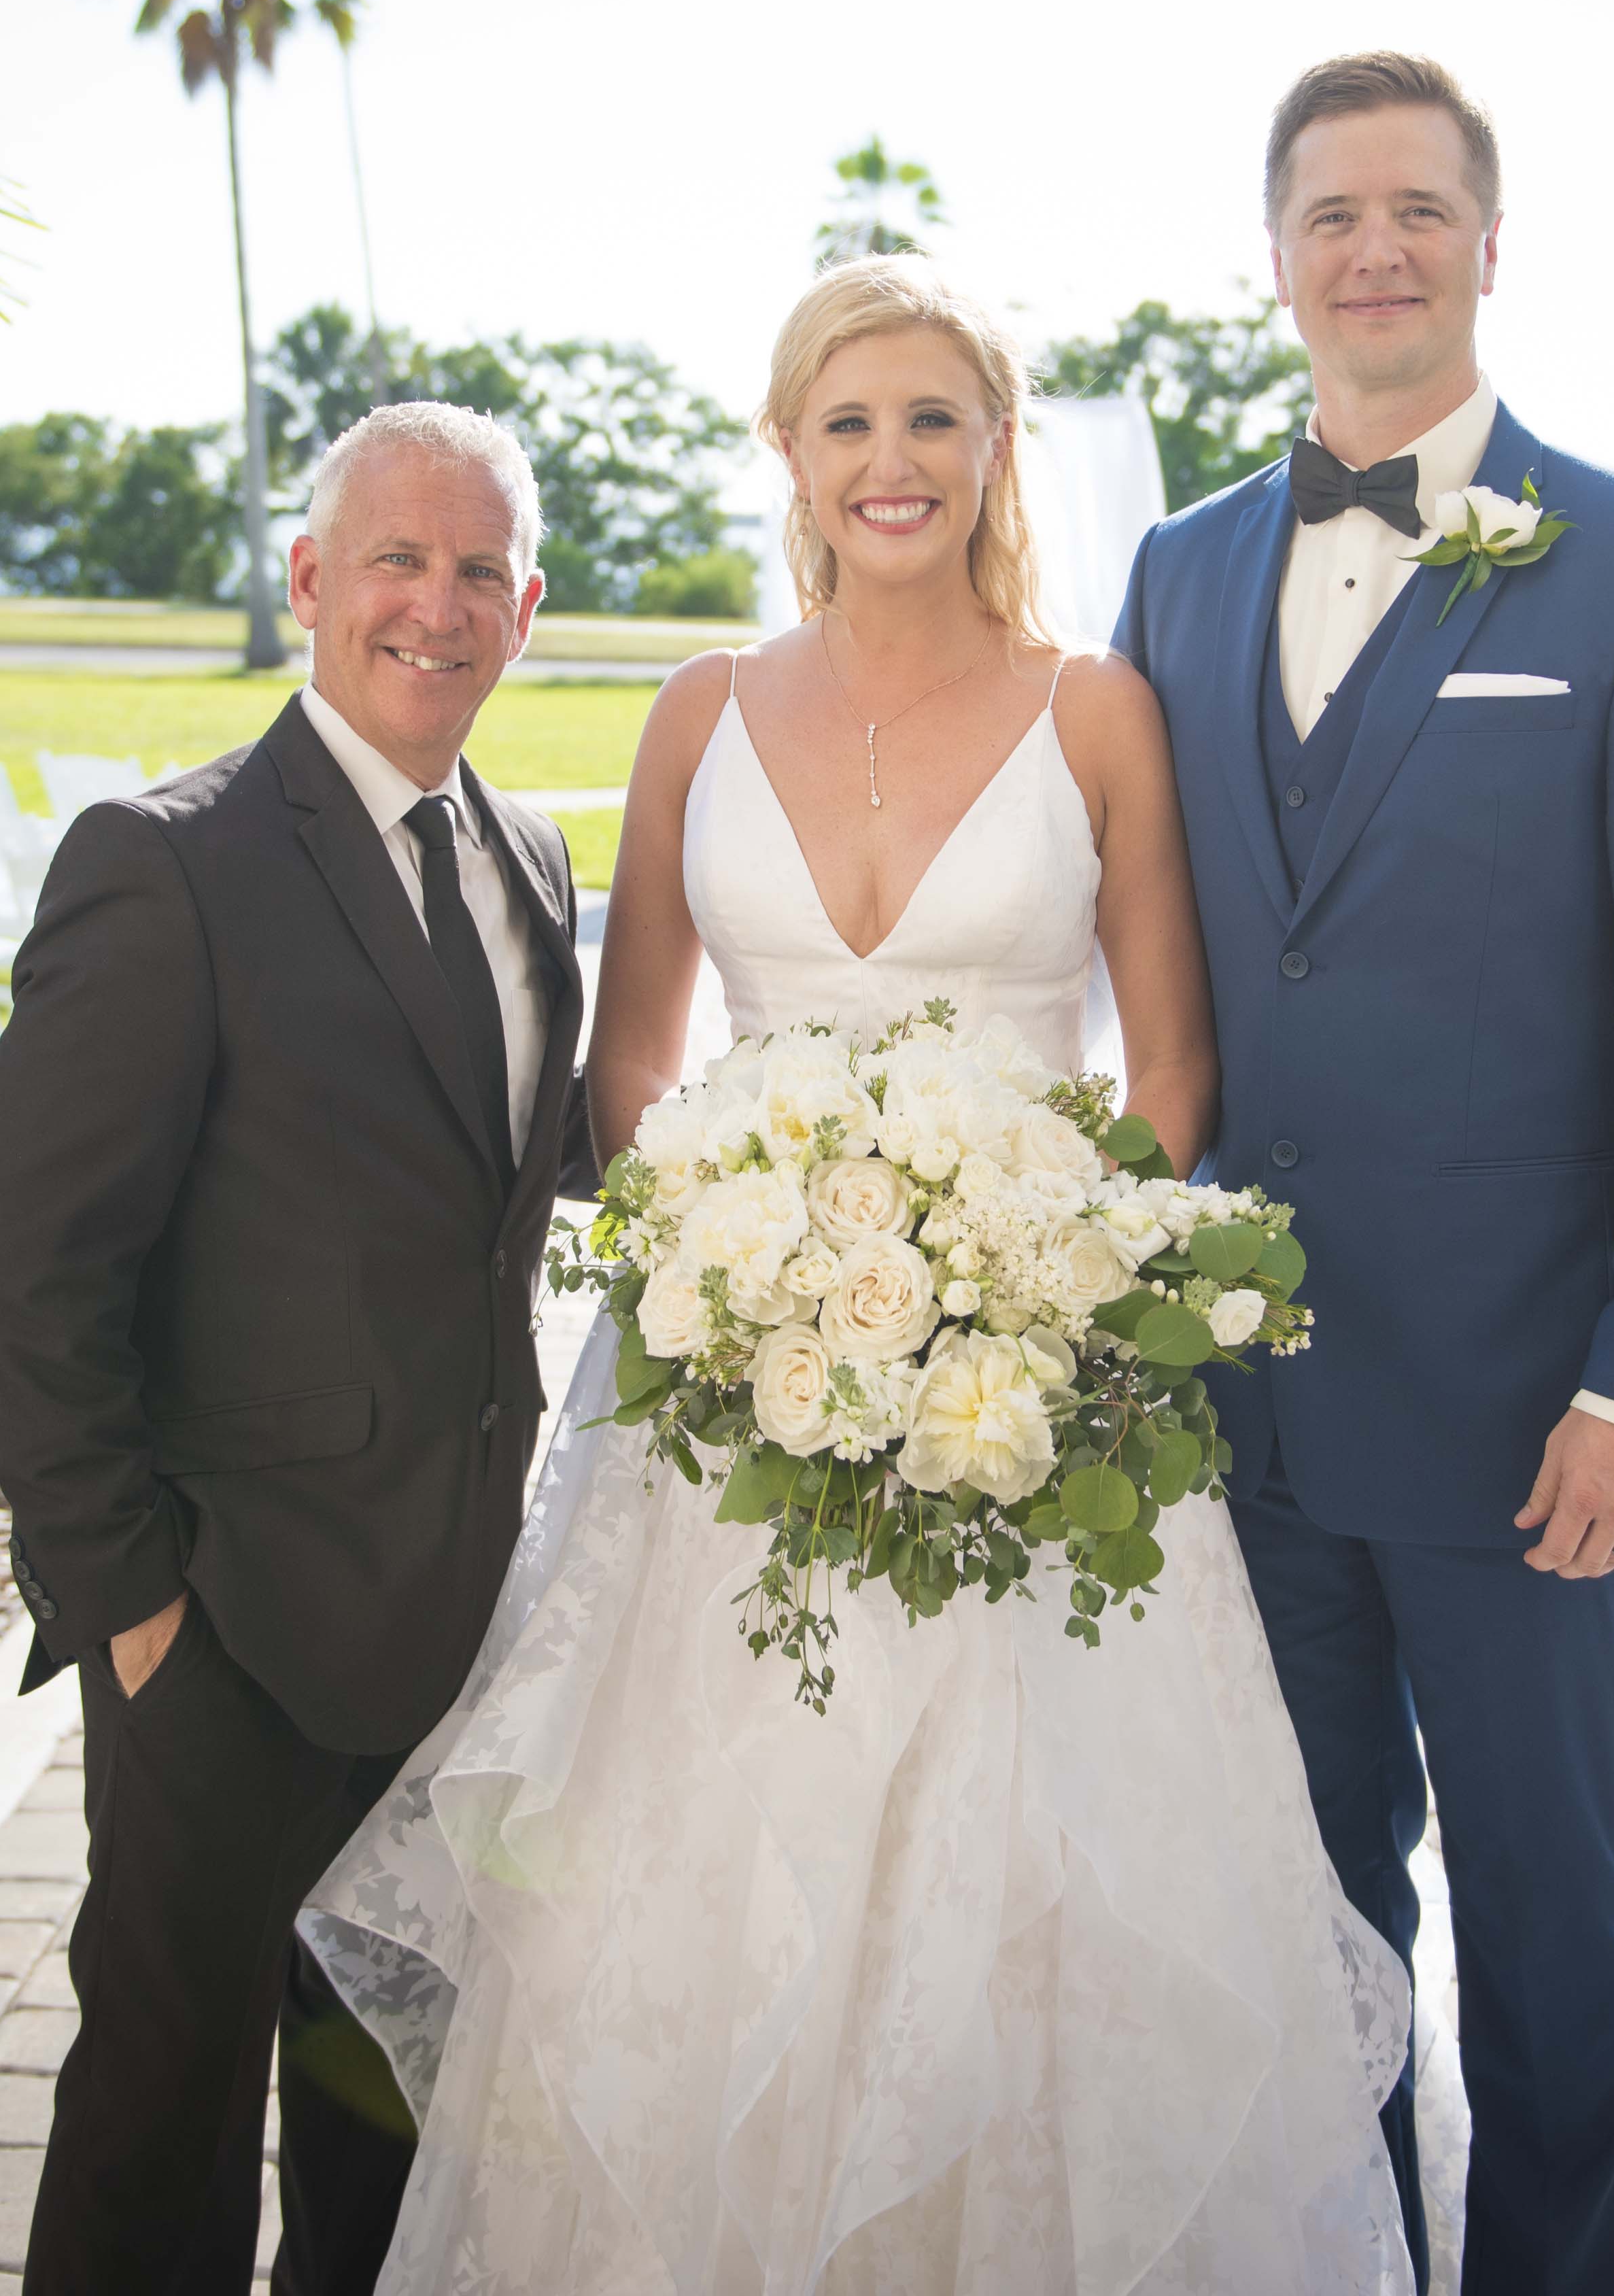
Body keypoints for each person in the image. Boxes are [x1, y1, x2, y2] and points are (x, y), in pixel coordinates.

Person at [305, 258, 1418, 2293]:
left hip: (1036, 1410)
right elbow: (632, 1065)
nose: (889, 462)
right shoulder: (699, 713)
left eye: (931, 420)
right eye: (848, 423)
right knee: (705, 1929)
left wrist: (1014, 1288)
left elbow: (1167, 1079)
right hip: (729, 1425)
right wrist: (765, 1291)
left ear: (997, 449)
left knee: (1037, 1928)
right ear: (792, 458)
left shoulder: (1098, 713)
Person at [1110, 52, 1614, 2294]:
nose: (1373, 251)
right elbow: (1166, 968)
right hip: (1250, 1411)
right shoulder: (1183, 571)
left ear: (1489, 247)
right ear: (1278, 254)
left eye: (1417, 210)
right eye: (1330, 214)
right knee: (1317, 1927)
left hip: (1535, 1424)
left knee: (1545, 1926)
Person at [0, 404, 590, 2296]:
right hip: (218, 1629)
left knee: (380, 2100)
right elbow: (29, 1264)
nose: (438, 603)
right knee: (160, 2108)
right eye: (397, 559)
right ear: (312, 582)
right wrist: (127, 1604)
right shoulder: (168, 866)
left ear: (527, 607)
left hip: (450, 1616)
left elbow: (521, 1175)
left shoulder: (539, 867)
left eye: (481, 569)